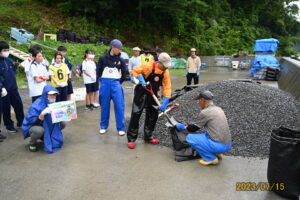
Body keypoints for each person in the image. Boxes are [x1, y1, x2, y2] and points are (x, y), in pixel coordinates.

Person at [127, 52, 172, 149]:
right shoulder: (148, 66)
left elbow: (167, 86)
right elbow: (134, 71)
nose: (166, 68)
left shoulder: (165, 71)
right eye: (164, 66)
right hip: (141, 92)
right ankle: (131, 139)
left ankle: (148, 136)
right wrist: (140, 79)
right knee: (136, 113)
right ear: (159, 62)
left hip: (153, 93)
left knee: (153, 115)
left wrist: (166, 100)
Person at [175, 90, 232, 166]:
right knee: (206, 131)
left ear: (203, 100)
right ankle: (218, 153)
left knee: (190, 138)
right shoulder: (218, 109)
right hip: (228, 144)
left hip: (219, 146)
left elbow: (193, 129)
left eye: (199, 100)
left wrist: (182, 126)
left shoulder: (205, 112)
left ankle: (210, 158)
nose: (198, 102)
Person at [22, 85, 65, 153]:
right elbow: (31, 123)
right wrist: (41, 115)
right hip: (36, 126)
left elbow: (56, 118)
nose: (53, 96)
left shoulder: (53, 103)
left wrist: (64, 116)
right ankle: (32, 143)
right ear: (45, 94)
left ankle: (48, 137)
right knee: (39, 131)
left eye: (55, 94)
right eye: (51, 95)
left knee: (62, 124)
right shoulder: (36, 105)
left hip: (47, 126)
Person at [97, 39, 128, 136]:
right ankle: (103, 126)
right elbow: (98, 71)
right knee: (104, 106)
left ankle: (121, 128)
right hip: (105, 84)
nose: (120, 51)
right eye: (119, 49)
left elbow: (125, 73)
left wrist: (119, 82)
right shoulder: (102, 58)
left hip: (116, 84)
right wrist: (102, 81)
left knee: (119, 106)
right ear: (113, 47)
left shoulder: (121, 60)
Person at [0, 41, 24, 133]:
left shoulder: (9, 60)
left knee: (18, 105)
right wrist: (1, 87)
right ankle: (9, 126)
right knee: (6, 108)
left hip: (13, 88)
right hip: (4, 90)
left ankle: (21, 122)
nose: (7, 51)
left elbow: (13, 71)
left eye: (8, 50)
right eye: (4, 50)